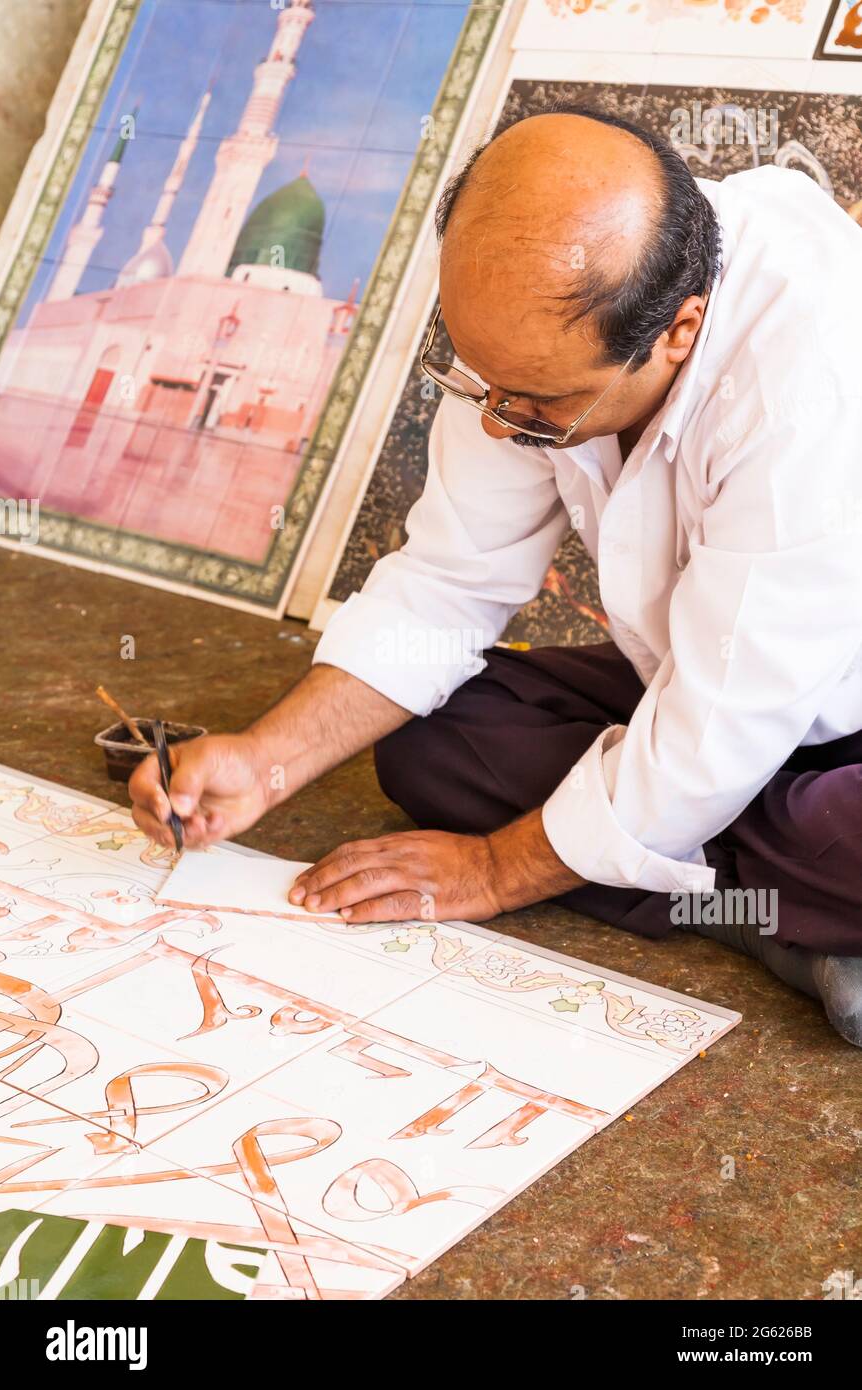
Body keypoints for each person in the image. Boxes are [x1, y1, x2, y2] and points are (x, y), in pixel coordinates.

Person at [130, 105, 862, 1047]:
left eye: (539, 402)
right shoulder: (536, 328)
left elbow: (733, 718)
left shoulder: (808, 379)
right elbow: (448, 580)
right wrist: (263, 763)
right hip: (708, 677)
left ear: (679, 331)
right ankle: (783, 916)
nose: (495, 421)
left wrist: (493, 870)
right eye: (482, 380)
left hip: (828, 707)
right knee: (432, 744)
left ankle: (756, 902)